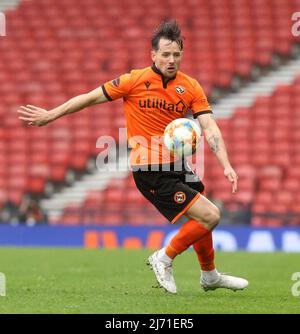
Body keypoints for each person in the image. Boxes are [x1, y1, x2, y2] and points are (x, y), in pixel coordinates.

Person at [18, 20, 248, 294]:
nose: (171, 60)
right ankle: (163, 258)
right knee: (211, 216)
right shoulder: (133, 80)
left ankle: (210, 276)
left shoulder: (190, 87)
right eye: (165, 54)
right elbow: (90, 98)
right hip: (150, 167)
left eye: (176, 54)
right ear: (153, 55)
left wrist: (226, 164)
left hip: (178, 164)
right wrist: (50, 114)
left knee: (201, 217)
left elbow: (209, 127)